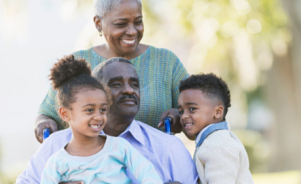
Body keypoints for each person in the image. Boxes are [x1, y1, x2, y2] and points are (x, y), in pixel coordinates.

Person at [0, 58, 208, 184]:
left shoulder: (168, 147)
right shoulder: (56, 149)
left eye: (135, 84)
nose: (129, 90)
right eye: (116, 84)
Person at [35, 55, 164, 184]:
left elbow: (154, 183)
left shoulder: (119, 147)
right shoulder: (57, 162)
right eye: (89, 110)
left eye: (103, 109)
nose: (98, 116)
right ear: (65, 114)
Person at [34, 0, 188, 143]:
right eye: (121, 24)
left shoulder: (166, 62)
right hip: (92, 166)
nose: (132, 31)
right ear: (98, 23)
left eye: (138, 22)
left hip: (155, 163)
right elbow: (47, 114)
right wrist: (43, 123)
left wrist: (181, 115)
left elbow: (196, 109)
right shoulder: (79, 63)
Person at [177, 73, 272, 184]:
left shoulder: (216, 145)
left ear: (218, 112)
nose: (184, 116)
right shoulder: (214, 140)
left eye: (192, 109)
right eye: (181, 111)